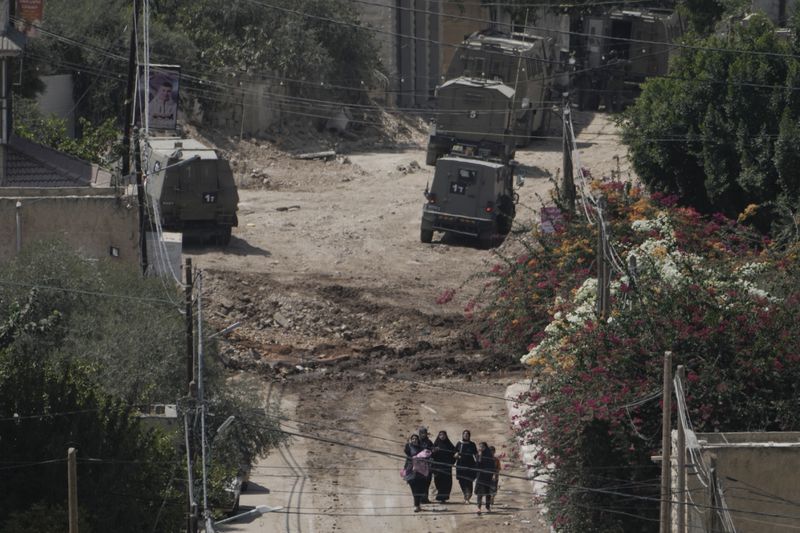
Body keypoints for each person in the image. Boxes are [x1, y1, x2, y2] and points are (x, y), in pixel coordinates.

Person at [403, 434, 430, 512]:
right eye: (413, 439)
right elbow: (406, 451)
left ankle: (418, 504)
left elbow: (427, 455)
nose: (414, 440)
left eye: (416, 439)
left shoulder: (422, 448)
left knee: (421, 488)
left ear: (418, 440)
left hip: (421, 471)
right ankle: (416, 505)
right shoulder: (409, 447)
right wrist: (407, 444)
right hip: (411, 470)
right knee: (414, 488)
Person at [431, 430, 456, 503]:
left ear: (446, 436)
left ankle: (443, 497)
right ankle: (440, 495)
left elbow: (454, 454)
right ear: (438, 436)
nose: (442, 436)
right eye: (440, 435)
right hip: (437, 466)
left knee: (447, 483)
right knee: (438, 481)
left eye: (443, 435)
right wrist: (434, 451)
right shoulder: (436, 444)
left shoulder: (449, 445)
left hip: (447, 467)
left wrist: (452, 462)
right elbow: (431, 455)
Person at [454, 429, 478, 503]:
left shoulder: (472, 444)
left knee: (469, 480)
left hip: (470, 464)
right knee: (462, 481)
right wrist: (456, 455)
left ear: (469, 436)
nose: (466, 435)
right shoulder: (459, 443)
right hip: (461, 464)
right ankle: (465, 495)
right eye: (464, 434)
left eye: (467, 434)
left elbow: (476, 454)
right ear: (462, 435)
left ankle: (469, 495)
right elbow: (454, 453)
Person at [474, 442, 498, 515]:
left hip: (488, 476)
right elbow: (477, 465)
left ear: (485, 447)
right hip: (480, 476)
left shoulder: (489, 455)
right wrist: (480, 456)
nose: (481, 448)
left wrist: (493, 475)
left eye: (482, 447)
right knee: (479, 493)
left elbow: (493, 466)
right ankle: (479, 508)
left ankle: (487, 507)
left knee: (487, 493)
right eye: (480, 447)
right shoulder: (478, 455)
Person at [417, 427, 434, 502]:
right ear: (420, 434)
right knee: (420, 481)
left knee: (427, 481)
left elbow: (432, 451)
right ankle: (420, 499)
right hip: (419, 465)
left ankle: (425, 498)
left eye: (424, 433)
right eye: (422, 433)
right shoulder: (417, 442)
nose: (423, 434)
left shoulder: (429, 442)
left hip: (427, 465)